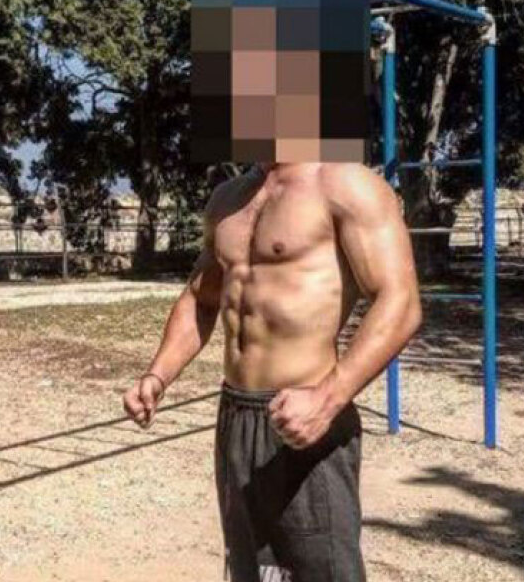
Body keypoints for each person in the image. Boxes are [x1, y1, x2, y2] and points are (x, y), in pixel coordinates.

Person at [123, 161, 422, 581]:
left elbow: (400, 301)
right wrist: (158, 375)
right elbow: (202, 298)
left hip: (307, 413)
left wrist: (326, 399)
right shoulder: (228, 199)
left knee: (321, 570)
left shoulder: (346, 185)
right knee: (253, 568)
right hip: (237, 415)